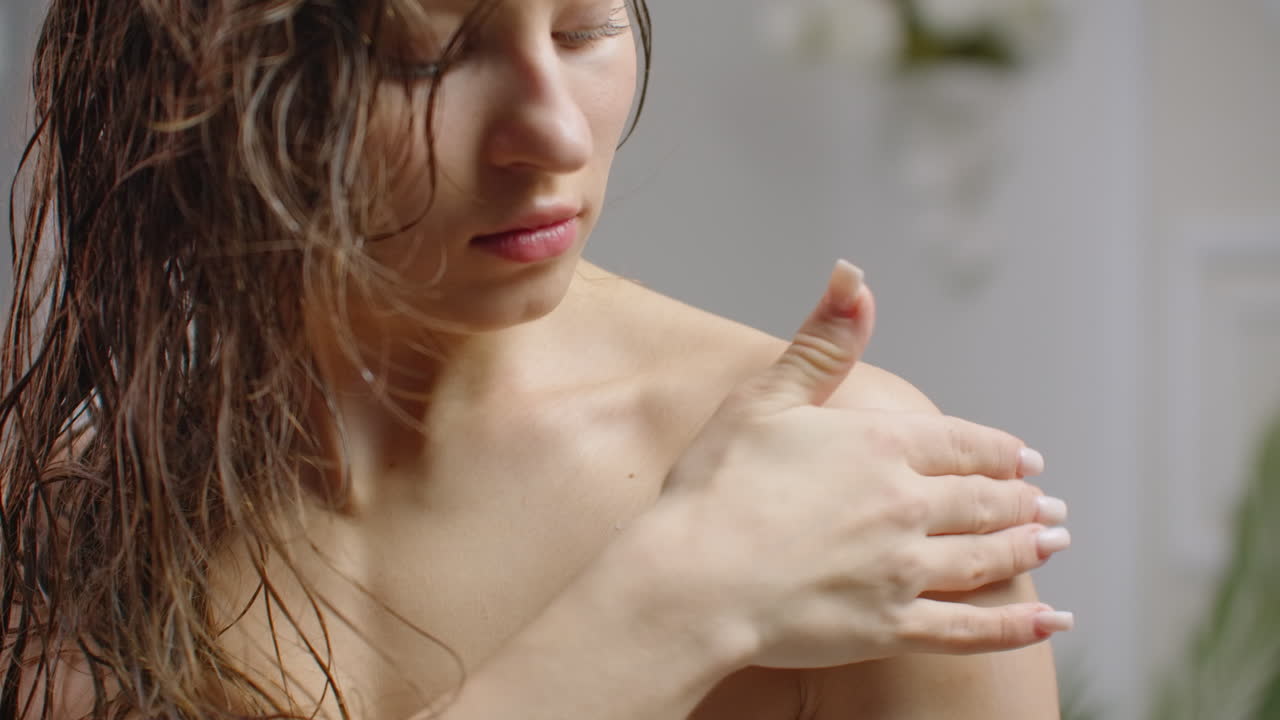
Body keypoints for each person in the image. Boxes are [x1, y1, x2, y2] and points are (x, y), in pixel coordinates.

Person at [0, 1, 1073, 718]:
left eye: (582, 27)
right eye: (426, 53)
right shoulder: (66, 535)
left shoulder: (851, 483)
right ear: (199, 90)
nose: (553, 134)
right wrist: (668, 606)